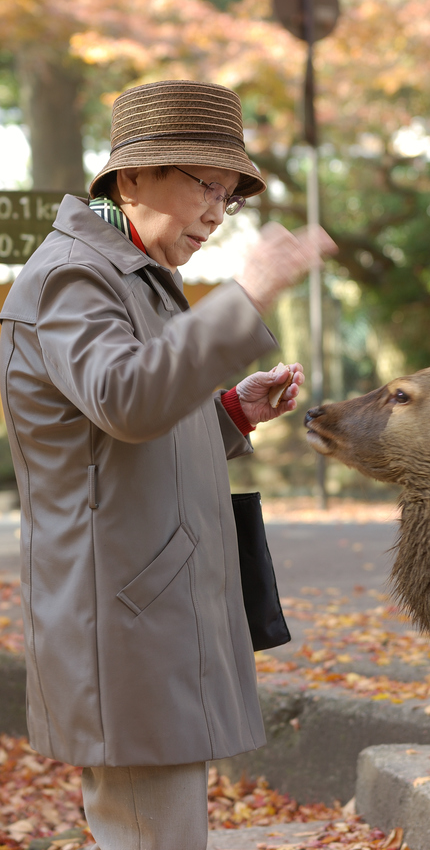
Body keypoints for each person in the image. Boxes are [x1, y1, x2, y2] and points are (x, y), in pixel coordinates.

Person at [0, 79, 335, 850]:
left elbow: (124, 431)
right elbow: (126, 399)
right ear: (132, 177)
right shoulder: (71, 277)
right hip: (124, 622)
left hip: (145, 615)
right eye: (205, 185)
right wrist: (248, 293)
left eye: (231, 195)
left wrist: (229, 412)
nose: (219, 211)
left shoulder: (134, 275)